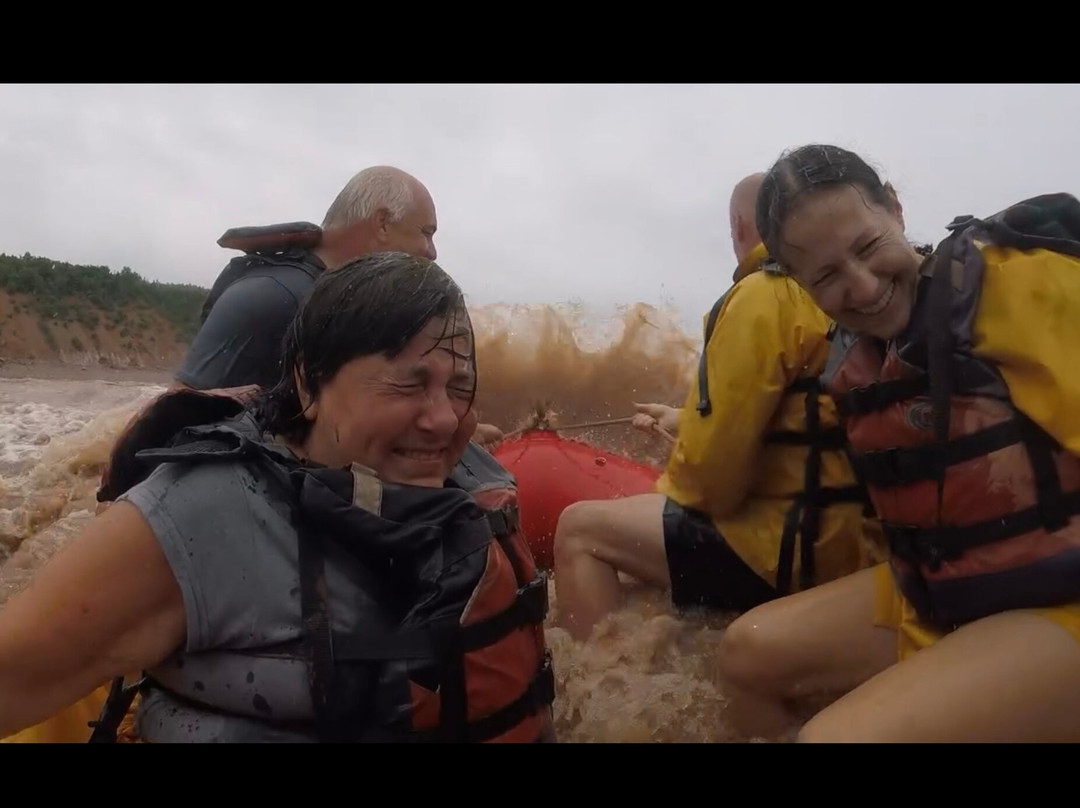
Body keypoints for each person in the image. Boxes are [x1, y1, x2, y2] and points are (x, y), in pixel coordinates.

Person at [0, 252, 554, 743]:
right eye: (408, 384)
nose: (441, 418)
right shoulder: (202, 514)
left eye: (459, 388)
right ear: (309, 384)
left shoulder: (466, 488)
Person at [716, 143, 1080, 742]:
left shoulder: (1015, 282)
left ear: (895, 208)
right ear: (799, 284)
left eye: (867, 247)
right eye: (827, 276)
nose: (861, 288)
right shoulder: (857, 358)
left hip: (1060, 601)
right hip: (946, 594)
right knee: (746, 654)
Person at [552, 173, 874, 641]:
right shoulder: (840, 292)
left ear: (741, 227)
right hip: (854, 540)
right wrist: (681, 420)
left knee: (579, 527)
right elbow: (798, 423)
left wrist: (682, 460)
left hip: (790, 550)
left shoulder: (761, 296)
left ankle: (600, 681)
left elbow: (709, 483)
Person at [174, 164, 503, 446]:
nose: (432, 252)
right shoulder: (273, 297)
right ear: (383, 223)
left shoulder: (354, 307)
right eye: (426, 233)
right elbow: (171, 416)